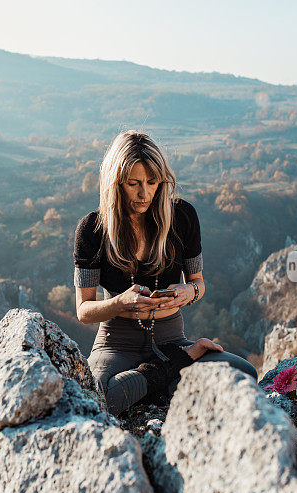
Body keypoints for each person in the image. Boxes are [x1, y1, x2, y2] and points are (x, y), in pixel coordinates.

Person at [73, 130, 258, 416]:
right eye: (133, 183)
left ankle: (147, 383)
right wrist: (119, 302)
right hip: (116, 343)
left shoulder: (183, 216)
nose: (144, 193)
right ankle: (170, 371)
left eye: (152, 182)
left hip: (171, 337)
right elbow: (84, 311)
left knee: (243, 374)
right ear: (115, 183)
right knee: (97, 403)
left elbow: (198, 283)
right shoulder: (92, 229)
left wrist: (189, 291)